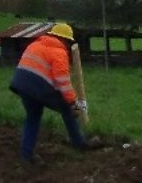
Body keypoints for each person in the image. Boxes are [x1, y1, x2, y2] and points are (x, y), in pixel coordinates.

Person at [9, 22, 87, 163]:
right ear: (65, 39)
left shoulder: (35, 45)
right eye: (69, 42)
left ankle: (27, 155)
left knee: (32, 118)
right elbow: (63, 81)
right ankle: (80, 143)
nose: (68, 46)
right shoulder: (59, 51)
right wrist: (73, 103)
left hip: (22, 86)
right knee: (68, 110)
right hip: (38, 87)